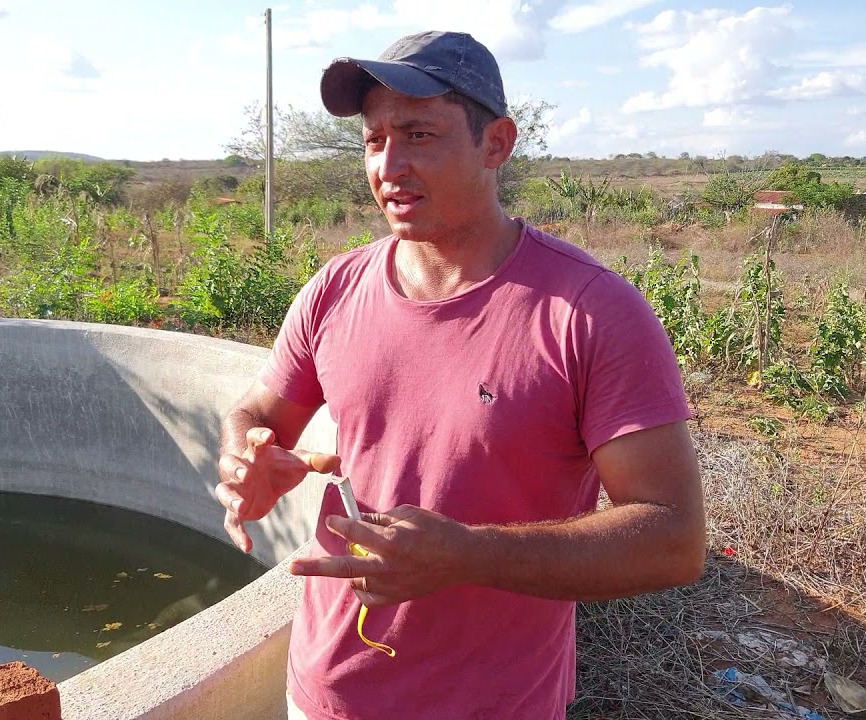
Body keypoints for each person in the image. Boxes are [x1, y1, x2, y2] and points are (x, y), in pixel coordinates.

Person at [214, 30, 706, 720]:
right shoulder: (335, 289)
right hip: (323, 693)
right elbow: (259, 412)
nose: (389, 165)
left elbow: (674, 539)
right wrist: (246, 459)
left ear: (496, 144)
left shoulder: (590, 313)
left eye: (419, 134)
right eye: (374, 139)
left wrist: (466, 555)